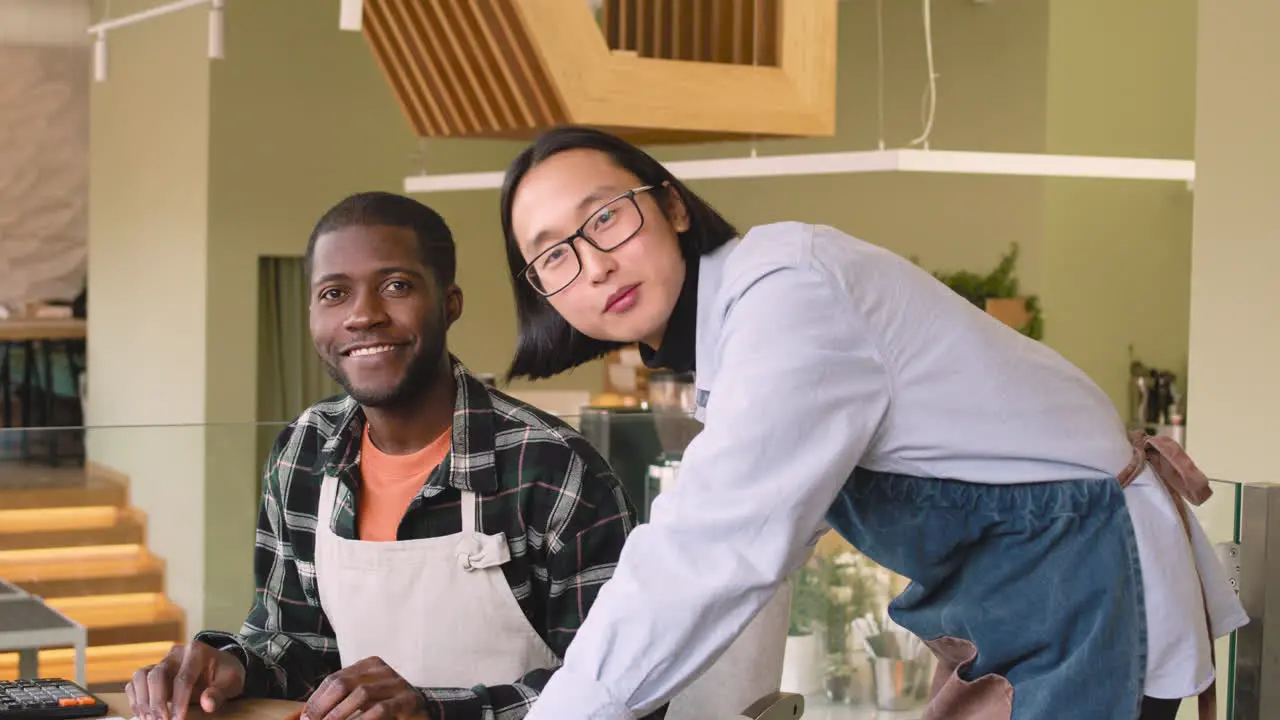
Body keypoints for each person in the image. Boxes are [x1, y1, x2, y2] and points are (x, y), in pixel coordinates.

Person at [496, 126, 1248, 720]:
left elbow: (707, 554)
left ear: (673, 206)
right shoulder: (733, 342)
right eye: (553, 256)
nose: (592, 264)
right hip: (1029, 602)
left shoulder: (788, 293)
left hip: (1089, 583)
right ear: (545, 297)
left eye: (604, 218)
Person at [124, 192, 638, 720]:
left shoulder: (556, 469)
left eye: (396, 286)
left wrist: (433, 712)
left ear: (450, 303)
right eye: (334, 293)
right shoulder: (302, 451)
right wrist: (233, 666)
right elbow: (301, 646)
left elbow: (624, 689)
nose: (362, 315)